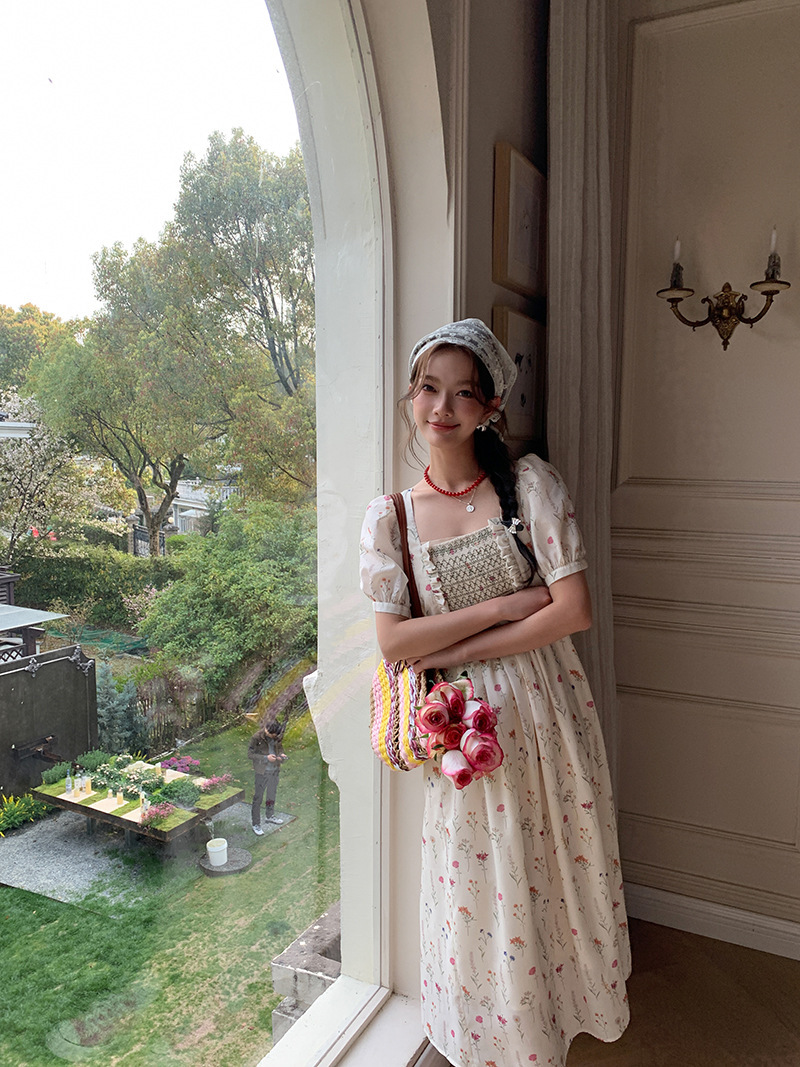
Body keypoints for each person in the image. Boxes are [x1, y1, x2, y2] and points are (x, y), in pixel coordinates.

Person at [359, 319, 630, 1067]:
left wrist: (456, 648)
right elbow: (394, 644)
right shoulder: (391, 518)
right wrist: (508, 606)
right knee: (483, 882)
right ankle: (497, 1038)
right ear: (411, 396)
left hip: (547, 713)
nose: (441, 407)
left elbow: (572, 611)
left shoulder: (529, 485)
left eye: (462, 393)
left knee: (556, 864)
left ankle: (556, 1018)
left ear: (491, 407)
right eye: (428, 388)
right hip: (462, 736)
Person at [248, 720, 287, 835]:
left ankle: (270, 816)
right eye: (273, 735)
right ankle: (256, 824)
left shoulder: (276, 736)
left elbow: (280, 748)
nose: (275, 737)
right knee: (258, 798)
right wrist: (266, 758)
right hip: (262, 772)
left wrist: (281, 755)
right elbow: (250, 754)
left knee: (271, 794)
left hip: (274, 771)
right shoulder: (256, 738)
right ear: (267, 730)